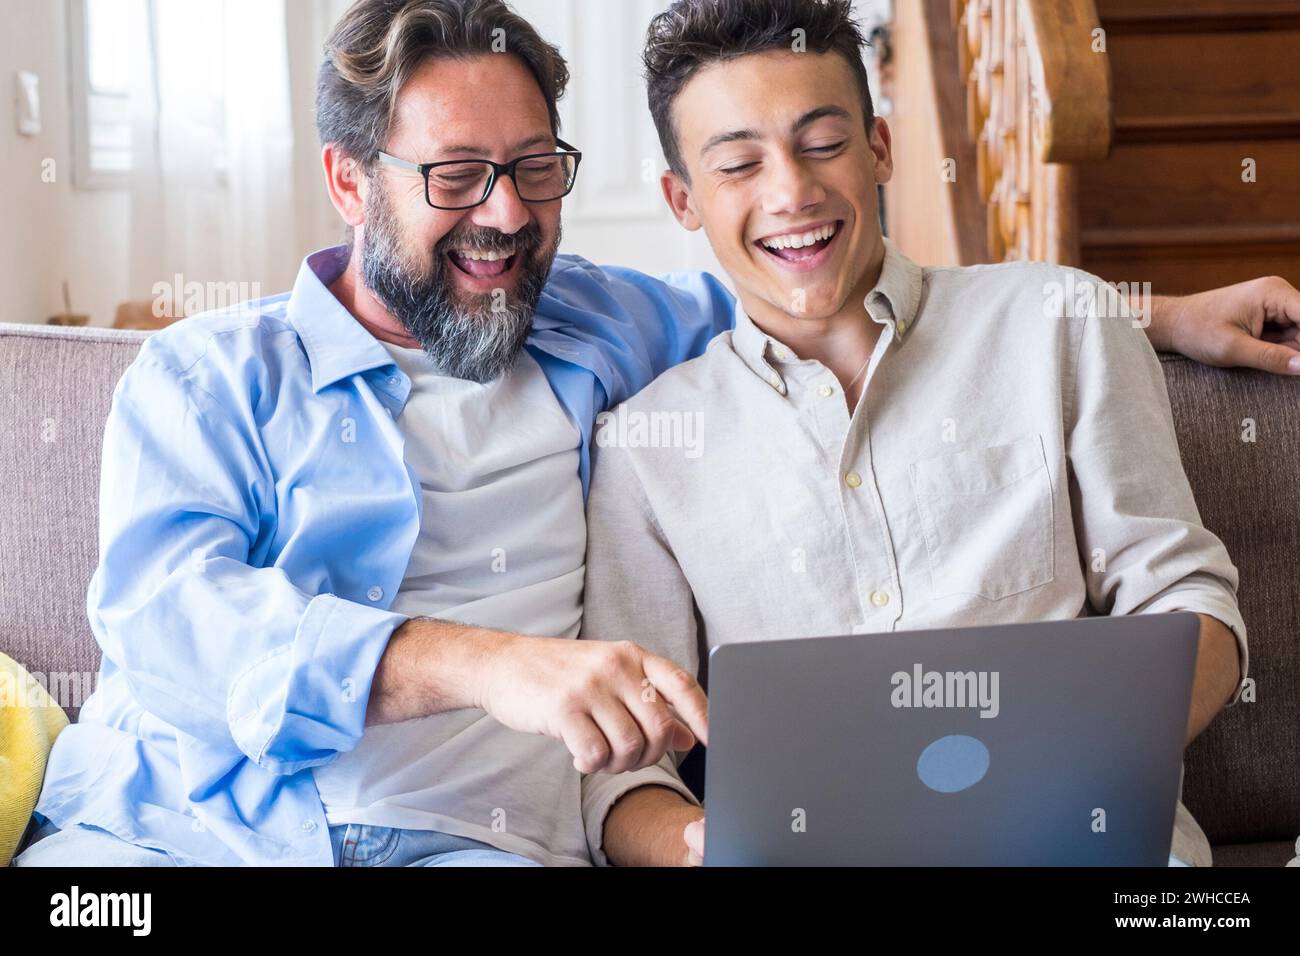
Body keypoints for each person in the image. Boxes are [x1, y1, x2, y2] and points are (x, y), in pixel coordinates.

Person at [13, 0, 1296, 868]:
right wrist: (481, 663)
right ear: (352, 182)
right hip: (181, 832)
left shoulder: (596, 337)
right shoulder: (208, 375)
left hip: (468, 842)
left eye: (534, 167)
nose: (504, 215)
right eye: (456, 175)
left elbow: (823, 287)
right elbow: (170, 620)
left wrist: (1148, 313)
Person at [578, 0, 1255, 868]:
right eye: (739, 164)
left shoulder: (1061, 322)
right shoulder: (647, 451)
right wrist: (700, 852)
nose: (791, 192)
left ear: (881, 149)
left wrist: (1077, 766)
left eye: (822, 142)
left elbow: (1192, 603)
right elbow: (625, 777)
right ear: (683, 199)